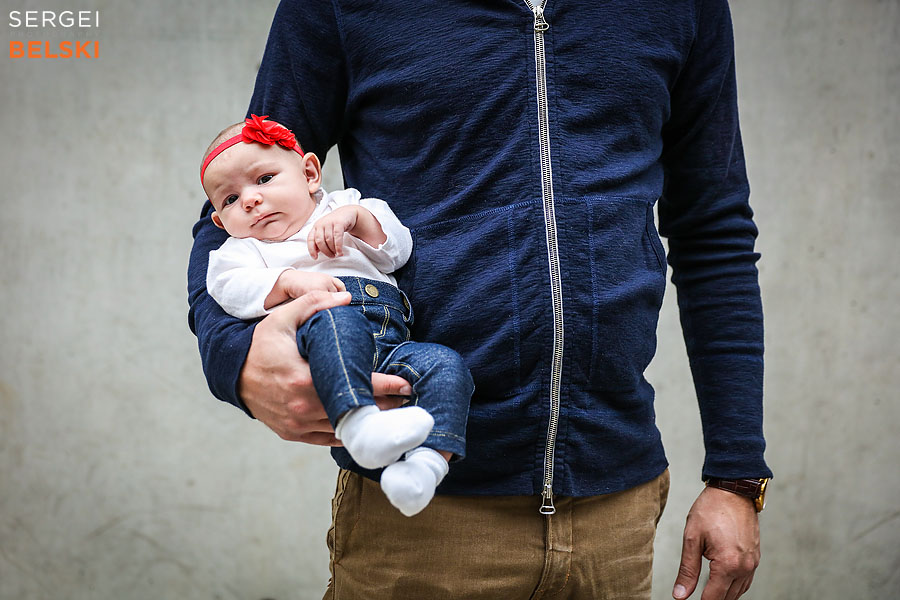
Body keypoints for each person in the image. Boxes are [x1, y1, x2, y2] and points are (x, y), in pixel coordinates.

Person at [187, 1, 773, 598]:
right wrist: (238, 362)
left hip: (617, 512)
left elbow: (714, 232)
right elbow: (244, 198)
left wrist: (737, 472)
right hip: (426, 521)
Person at [200, 115, 473, 517]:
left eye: (263, 179)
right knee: (335, 319)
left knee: (445, 366)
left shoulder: (349, 207)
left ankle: (427, 466)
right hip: (325, 335)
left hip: (392, 344)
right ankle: (358, 424)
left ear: (310, 173)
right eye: (230, 199)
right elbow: (228, 288)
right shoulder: (242, 251)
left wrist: (358, 221)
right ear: (222, 223)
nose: (250, 200)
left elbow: (398, 250)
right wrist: (289, 282)